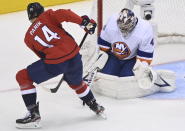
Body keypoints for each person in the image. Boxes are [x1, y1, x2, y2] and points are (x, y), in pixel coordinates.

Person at [15, 2, 105, 129]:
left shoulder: (28, 38)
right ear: (42, 10)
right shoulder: (48, 15)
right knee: (76, 83)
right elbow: (65, 14)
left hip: (55, 63)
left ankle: (33, 115)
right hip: (74, 56)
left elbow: (42, 56)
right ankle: (95, 106)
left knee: (22, 76)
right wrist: (83, 22)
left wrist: (58, 66)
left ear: (29, 17)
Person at [98, 8, 155, 77]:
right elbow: (103, 47)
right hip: (113, 56)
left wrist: (141, 70)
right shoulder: (111, 23)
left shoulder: (145, 29)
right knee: (105, 76)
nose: (124, 31)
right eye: (122, 28)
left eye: (126, 28)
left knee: (128, 79)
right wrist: (99, 62)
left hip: (133, 59)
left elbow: (144, 59)